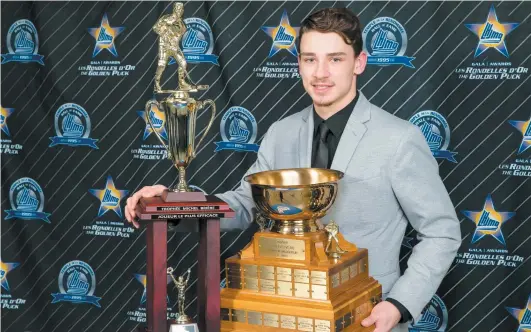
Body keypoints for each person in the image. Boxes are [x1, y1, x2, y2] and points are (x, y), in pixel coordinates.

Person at [125, 7, 461, 332]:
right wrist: (172, 204)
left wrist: (399, 305)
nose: (320, 73)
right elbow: (243, 205)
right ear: (299, 63)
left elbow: (441, 232)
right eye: (310, 59)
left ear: (359, 63)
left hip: (365, 318)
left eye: (335, 59)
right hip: (284, 315)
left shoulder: (400, 139)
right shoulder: (280, 133)